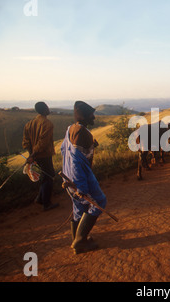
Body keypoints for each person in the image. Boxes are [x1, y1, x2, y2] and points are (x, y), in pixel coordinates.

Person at [61, 101, 106, 254]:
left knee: (79, 207)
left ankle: (78, 240)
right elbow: (76, 162)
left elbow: (65, 151)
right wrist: (81, 187)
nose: (94, 117)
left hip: (68, 177)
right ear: (85, 116)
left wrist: (92, 146)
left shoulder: (70, 129)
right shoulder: (83, 133)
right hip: (80, 178)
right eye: (91, 114)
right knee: (99, 201)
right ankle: (80, 240)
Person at [22, 102, 59, 211]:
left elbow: (26, 142)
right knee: (49, 175)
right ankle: (46, 203)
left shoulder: (29, 124)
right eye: (47, 107)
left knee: (45, 175)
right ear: (44, 110)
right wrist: (33, 154)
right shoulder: (47, 124)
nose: (49, 109)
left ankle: (40, 198)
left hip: (35, 155)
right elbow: (43, 142)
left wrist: (31, 154)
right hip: (44, 154)